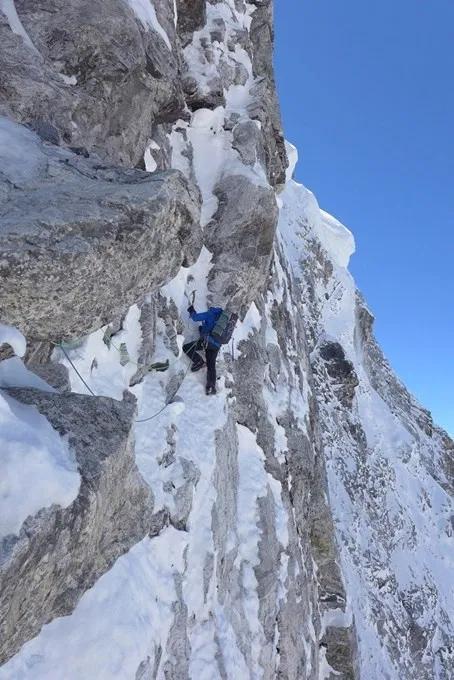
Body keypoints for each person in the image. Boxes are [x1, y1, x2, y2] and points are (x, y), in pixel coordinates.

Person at [183, 303, 223, 395]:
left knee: (187, 348)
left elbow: (195, 318)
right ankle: (211, 387)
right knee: (211, 365)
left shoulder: (210, 313)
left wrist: (191, 310)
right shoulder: (223, 317)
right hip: (216, 345)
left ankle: (198, 361)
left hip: (207, 342)